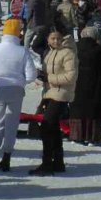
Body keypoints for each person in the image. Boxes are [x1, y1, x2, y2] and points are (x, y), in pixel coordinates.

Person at [0, 18, 36, 172]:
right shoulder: (22, 51)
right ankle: (6, 158)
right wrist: (21, 82)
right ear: (19, 34)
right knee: (12, 124)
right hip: (16, 89)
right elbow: (32, 75)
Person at [29, 27, 77, 176]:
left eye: (58, 38)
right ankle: (58, 162)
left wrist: (49, 78)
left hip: (61, 94)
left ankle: (47, 162)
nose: (55, 41)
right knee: (53, 128)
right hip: (50, 93)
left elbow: (71, 77)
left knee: (47, 126)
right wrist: (42, 75)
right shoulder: (50, 52)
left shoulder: (68, 52)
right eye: (52, 38)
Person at [69, 26, 101, 145]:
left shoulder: (74, 48)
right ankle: (91, 136)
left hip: (77, 82)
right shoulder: (99, 50)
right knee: (93, 110)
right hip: (95, 83)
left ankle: (77, 135)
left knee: (77, 109)